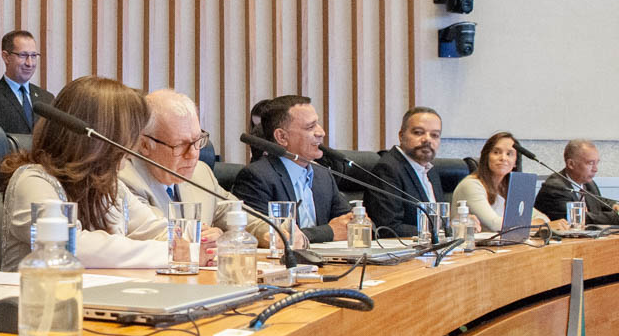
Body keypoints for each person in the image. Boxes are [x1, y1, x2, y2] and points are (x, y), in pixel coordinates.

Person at [0, 76, 166, 270]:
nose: (133, 146)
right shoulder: (32, 181)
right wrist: (170, 253)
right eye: (129, 133)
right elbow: (72, 247)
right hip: (38, 290)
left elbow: (156, 231)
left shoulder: (111, 186)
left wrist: (190, 246)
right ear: (101, 137)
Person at [120, 89, 275, 247]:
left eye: (197, 140)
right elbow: (159, 235)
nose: (193, 154)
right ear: (145, 145)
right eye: (180, 145)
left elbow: (238, 214)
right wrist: (215, 237)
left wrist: (272, 234)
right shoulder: (125, 179)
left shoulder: (201, 173)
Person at [231, 94, 354, 244]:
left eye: (317, 124)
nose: (321, 132)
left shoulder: (323, 175)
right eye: (310, 127)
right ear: (282, 137)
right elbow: (268, 236)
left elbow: (350, 225)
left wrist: (358, 221)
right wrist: (328, 232)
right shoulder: (257, 177)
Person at [366, 106, 463, 237]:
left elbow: (436, 222)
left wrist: (458, 225)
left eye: (434, 135)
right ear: (401, 136)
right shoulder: (387, 169)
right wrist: (442, 232)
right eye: (418, 132)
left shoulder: (430, 171)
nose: (427, 139)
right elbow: (388, 228)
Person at [451, 131, 554, 233]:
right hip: (473, 243)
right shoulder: (471, 185)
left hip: (504, 243)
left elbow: (543, 218)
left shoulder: (510, 187)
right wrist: (540, 225)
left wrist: (539, 224)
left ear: (515, 162)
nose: (503, 158)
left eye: (509, 154)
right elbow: (496, 224)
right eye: (496, 152)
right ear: (486, 157)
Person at [0, 29, 54, 134]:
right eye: (23, 55)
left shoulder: (47, 99)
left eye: (33, 56)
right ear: (6, 57)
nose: (30, 63)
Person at [534, 139, 619, 225]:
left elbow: (602, 202)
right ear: (571, 164)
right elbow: (577, 219)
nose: (595, 169)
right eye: (590, 163)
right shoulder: (555, 188)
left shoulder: (589, 184)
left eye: (597, 163)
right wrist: (616, 218)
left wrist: (615, 205)